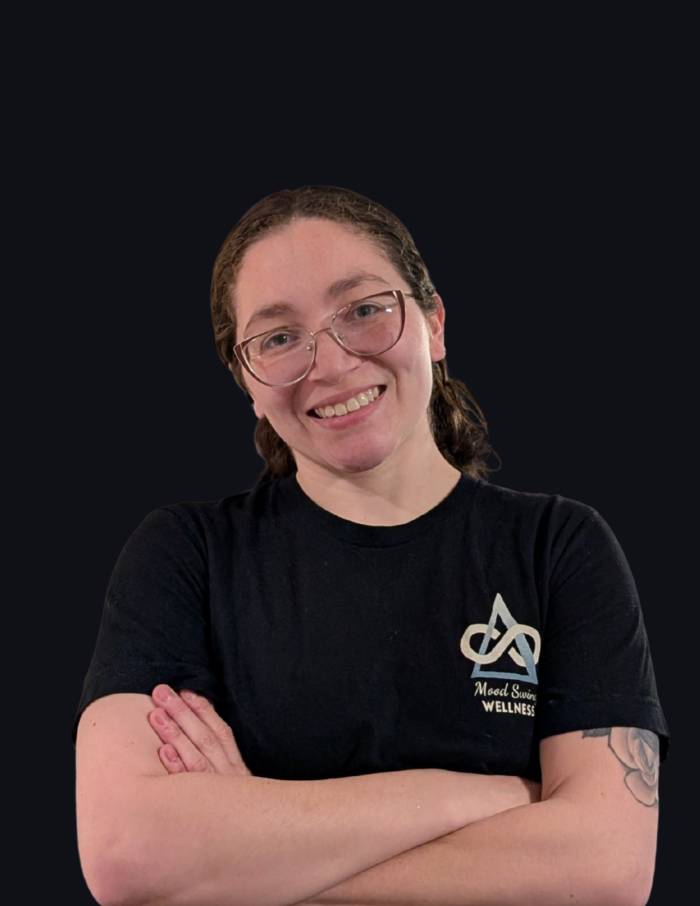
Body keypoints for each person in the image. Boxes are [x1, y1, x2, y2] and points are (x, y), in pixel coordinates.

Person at [73, 185, 670, 906]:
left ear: (434, 323)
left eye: (363, 310)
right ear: (246, 381)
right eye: (278, 337)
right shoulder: (185, 557)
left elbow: (607, 866)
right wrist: (497, 797)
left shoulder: (559, 548)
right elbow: (128, 852)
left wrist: (251, 861)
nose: (329, 365)